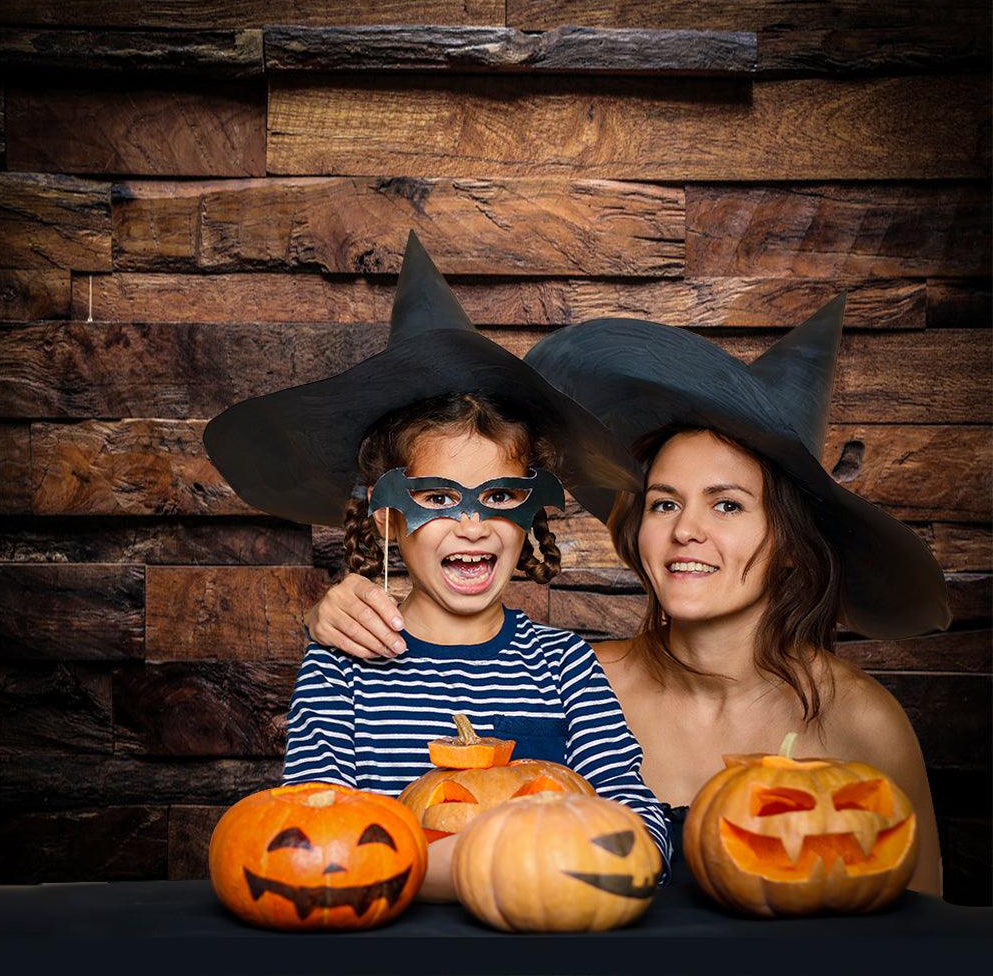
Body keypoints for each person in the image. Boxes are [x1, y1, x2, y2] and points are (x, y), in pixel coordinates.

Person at [303, 294, 950, 896]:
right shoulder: (577, 679)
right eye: (665, 502)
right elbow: (362, 812)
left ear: (789, 539)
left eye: (727, 504)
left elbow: (923, 937)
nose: (686, 530)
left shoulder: (867, 725)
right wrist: (332, 614)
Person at [204, 232, 671, 903]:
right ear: (389, 517)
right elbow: (313, 838)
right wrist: (490, 869)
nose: (473, 524)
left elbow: (639, 823)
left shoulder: (565, 667)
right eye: (436, 498)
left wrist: (584, 863)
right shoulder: (343, 664)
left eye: (502, 497)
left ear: (530, 513)